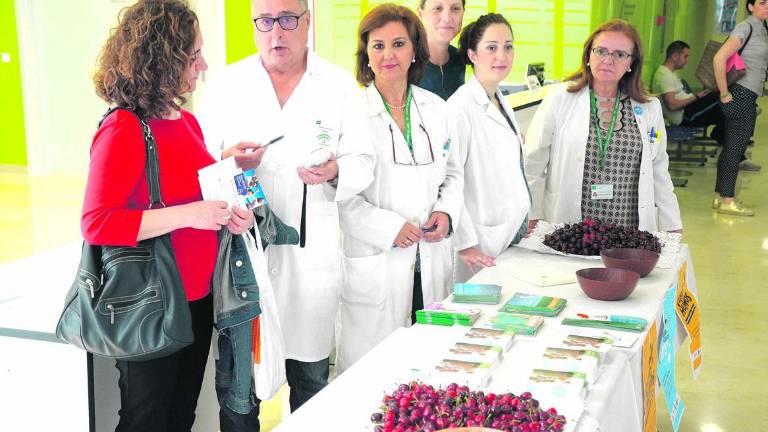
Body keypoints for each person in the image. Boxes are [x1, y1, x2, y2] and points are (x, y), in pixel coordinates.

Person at [195, 0, 375, 428]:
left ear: (307, 22)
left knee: (311, 386)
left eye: (288, 19)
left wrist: (335, 172)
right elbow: (198, 162)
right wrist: (227, 160)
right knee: (239, 393)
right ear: (255, 26)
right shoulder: (227, 85)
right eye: (266, 21)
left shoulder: (338, 86)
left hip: (311, 265)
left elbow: (364, 162)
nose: (277, 32)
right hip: (244, 265)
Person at [83, 1, 254, 430]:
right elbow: (97, 221)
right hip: (152, 302)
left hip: (196, 299)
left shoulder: (187, 121)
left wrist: (226, 173)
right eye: (194, 54)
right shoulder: (123, 128)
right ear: (164, 57)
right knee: (146, 420)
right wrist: (188, 215)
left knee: (181, 416)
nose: (204, 65)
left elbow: (178, 183)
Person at [336, 4, 463, 373]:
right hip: (379, 261)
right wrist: (388, 228)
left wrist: (446, 212)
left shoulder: (437, 109)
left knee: (429, 368)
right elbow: (339, 195)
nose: (388, 54)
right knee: (374, 375)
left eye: (398, 43)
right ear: (366, 55)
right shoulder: (350, 112)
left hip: (431, 260)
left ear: (414, 50)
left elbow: (453, 174)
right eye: (377, 46)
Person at [525, 19, 682, 234]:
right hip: (570, 227)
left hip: (628, 231)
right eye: (601, 51)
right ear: (588, 55)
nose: (608, 60)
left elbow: (659, 170)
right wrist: (532, 214)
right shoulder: (560, 98)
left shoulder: (649, 108)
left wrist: (672, 225)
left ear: (631, 63)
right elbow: (533, 162)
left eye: (619, 54)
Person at [447, 14, 531, 281]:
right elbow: (449, 180)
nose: (502, 56)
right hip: (479, 243)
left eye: (508, 46)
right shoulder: (460, 108)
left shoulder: (498, 99)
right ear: (472, 54)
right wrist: (465, 243)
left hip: (509, 234)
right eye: (491, 47)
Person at [652, 41, 760, 172]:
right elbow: (672, 105)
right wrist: (697, 97)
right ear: (675, 56)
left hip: (689, 109)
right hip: (685, 116)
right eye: (685, 56)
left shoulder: (670, 73)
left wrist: (700, 96)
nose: (687, 61)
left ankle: (726, 139)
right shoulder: (663, 75)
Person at [712, 0, 768, 216]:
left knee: (731, 149)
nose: (767, 6)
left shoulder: (761, 28)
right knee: (735, 150)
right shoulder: (747, 27)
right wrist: (724, 92)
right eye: (762, 2)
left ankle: (720, 197)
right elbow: (719, 58)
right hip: (741, 94)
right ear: (750, 6)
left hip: (747, 94)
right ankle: (728, 200)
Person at [416, 0, 466, 99]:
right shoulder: (405, 61)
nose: (447, 18)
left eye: (455, 8)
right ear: (421, 13)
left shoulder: (461, 59)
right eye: (437, 8)